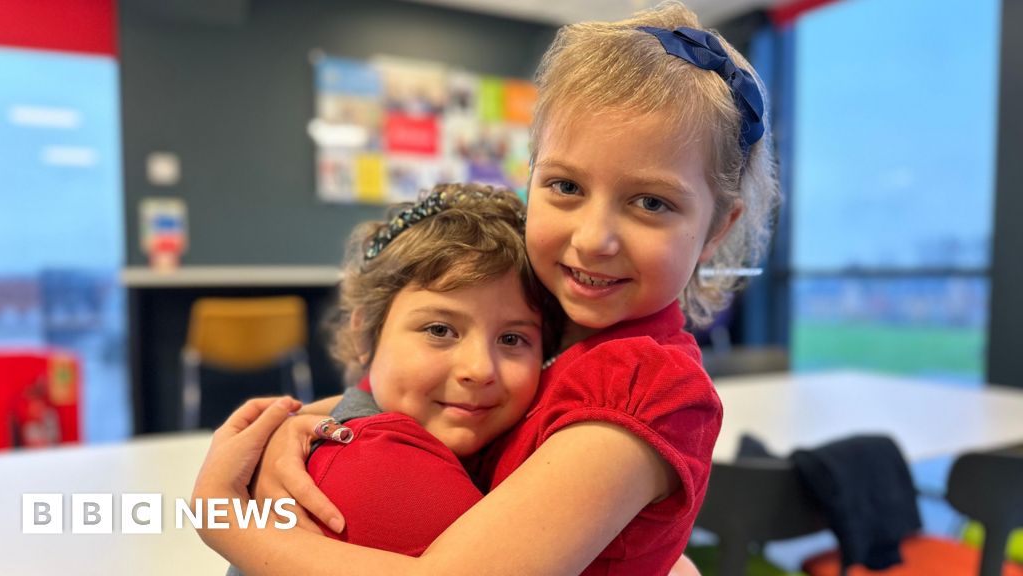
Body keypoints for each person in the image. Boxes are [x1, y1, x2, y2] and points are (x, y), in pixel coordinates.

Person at [194, 2, 779, 574]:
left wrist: (228, 523)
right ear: (530, 176)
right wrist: (306, 426)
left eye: (651, 202)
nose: (594, 238)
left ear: (716, 228)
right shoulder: (561, 320)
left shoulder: (645, 386)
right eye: (566, 186)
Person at [223, 184, 554, 576]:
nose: (480, 369)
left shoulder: (383, 410)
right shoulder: (386, 471)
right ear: (367, 333)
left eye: (512, 339)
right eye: (439, 330)